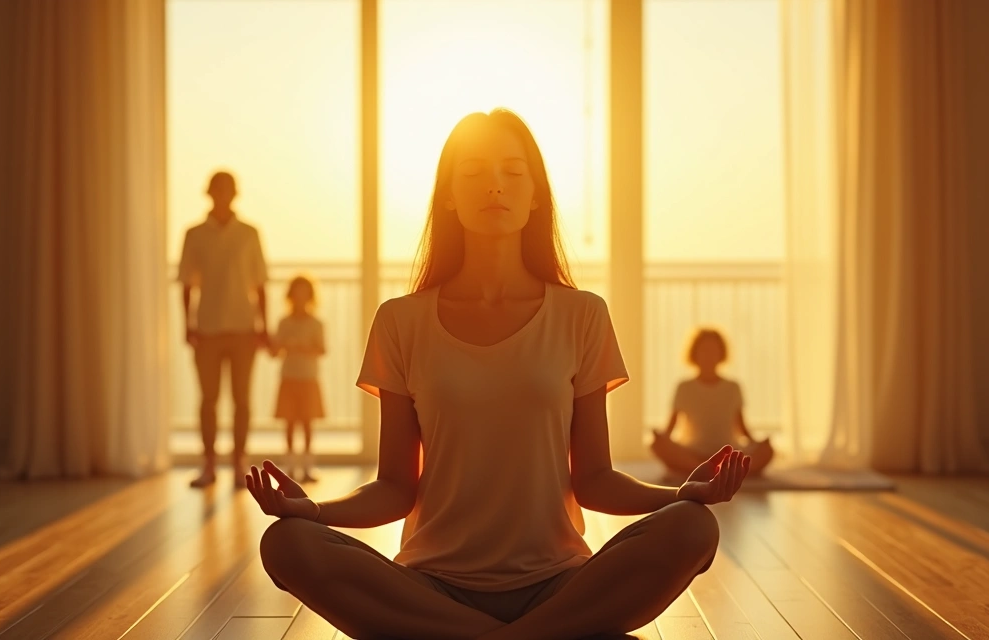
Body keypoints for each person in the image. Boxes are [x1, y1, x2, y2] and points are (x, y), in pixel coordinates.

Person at [246, 109, 751, 639]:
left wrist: (682, 496)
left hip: (557, 583)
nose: (494, 187)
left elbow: (595, 481)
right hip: (432, 587)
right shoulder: (400, 320)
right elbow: (396, 487)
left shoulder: (582, 315)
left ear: (536, 195)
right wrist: (312, 510)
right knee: (286, 542)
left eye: (513, 173)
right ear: (448, 195)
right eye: (474, 174)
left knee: (693, 526)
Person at [178, 170, 270, 489]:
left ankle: (239, 463)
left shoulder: (249, 233)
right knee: (208, 399)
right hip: (207, 328)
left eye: (227, 189)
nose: (222, 194)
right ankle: (208, 464)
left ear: (234, 193)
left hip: (244, 327)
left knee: (242, 399)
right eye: (217, 189)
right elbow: (187, 283)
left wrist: (264, 326)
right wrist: (186, 324)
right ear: (209, 192)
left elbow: (260, 283)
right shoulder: (194, 234)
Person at [650, 328, 774, 482]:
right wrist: (661, 439)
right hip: (692, 453)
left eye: (713, 350)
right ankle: (713, 471)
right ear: (694, 353)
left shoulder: (733, 387)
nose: (709, 355)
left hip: (728, 453)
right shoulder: (684, 387)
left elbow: (742, 428)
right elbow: (669, 429)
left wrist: (759, 443)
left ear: (721, 353)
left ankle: (708, 471)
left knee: (767, 450)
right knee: (657, 445)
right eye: (704, 350)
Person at [269, 275, 326, 483]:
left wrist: (300, 346)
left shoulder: (316, 323)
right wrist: (280, 343)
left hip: (309, 378)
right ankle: (291, 467)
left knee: (308, 423)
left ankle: (308, 467)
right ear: (291, 296)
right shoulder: (284, 322)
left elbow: (322, 349)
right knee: (290, 424)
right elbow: (274, 351)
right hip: (289, 378)